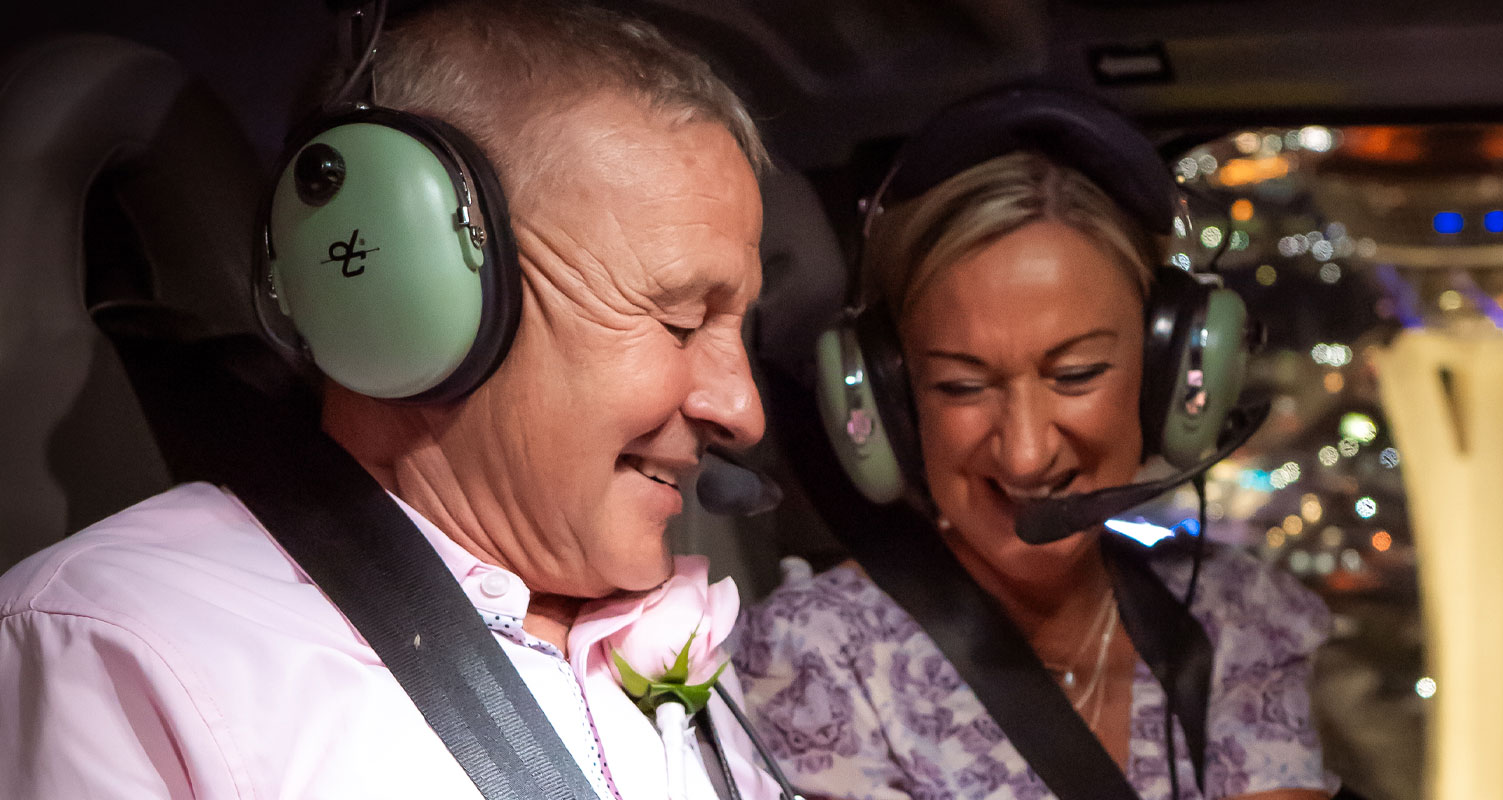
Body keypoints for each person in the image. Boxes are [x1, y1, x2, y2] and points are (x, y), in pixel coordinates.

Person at [0, 2, 781, 798]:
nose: (743, 410)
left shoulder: (668, 646)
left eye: (737, 330)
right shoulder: (118, 650)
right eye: (681, 321)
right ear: (413, 282)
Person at [734, 92, 1339, 800]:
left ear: (1167, 372)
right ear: (892, 400)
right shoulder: (820, 657)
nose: (1025, 453)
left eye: (1076, 375)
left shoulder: (1234, 616)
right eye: (961, 386)